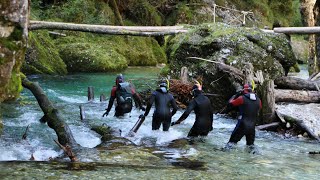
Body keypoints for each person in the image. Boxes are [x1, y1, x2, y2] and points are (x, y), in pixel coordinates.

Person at [224, 83, 262, 152]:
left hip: (242, 125)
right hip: (252, 127)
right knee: (250, 146)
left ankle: (224, 154)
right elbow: (258, 108)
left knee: (231, 143)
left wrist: (236, 95)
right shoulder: (259, 101)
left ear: (244, 90)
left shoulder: (242, 98)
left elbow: (230, 104)